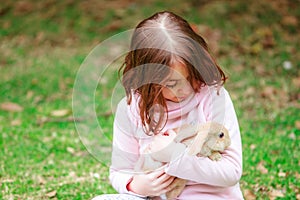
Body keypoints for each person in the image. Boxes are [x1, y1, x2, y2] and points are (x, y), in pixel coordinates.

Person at [93, 11, 243, 200]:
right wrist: (135, 185)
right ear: (148, 81)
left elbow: (231, 172)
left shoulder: (213, 97)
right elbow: (119, 172)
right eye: (172, 84)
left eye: (192, 76)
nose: (186, 89)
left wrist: (175, 155)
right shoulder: (131, 108)